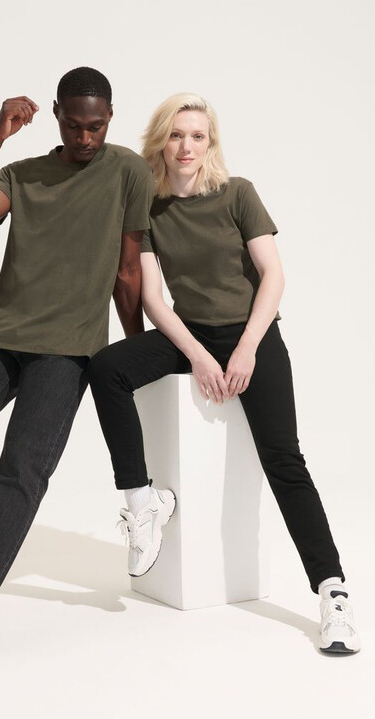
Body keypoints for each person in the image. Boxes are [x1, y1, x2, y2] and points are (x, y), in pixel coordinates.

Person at [88, 93, 360, 655]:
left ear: (210, 143)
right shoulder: (150, 209)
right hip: (192, 336)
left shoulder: (238, 193)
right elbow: (155, 299)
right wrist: (198, 355)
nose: (186, 146)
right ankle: (142, 503)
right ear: (161, 141)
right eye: (176, 134)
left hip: (252, 334)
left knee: (284, 460)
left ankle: (332, 594)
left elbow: (273, 274)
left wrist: (247, 349)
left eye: (198, 136)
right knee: (107, 367)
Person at [0, 67, 155, 662]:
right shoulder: (23, 173)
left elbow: (128, 270)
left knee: (22, 469)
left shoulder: (129, 172)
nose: (85, 137)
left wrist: (136, 348)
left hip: (69, 348)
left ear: (110, 119)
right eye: (74, 125)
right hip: (1, 334)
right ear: (57, 115)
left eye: (96, 126)